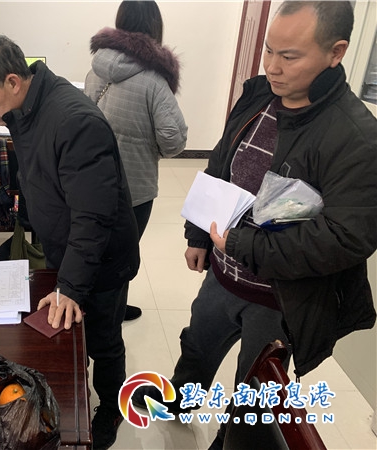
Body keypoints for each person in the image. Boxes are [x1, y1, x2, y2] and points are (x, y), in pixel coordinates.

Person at [131, 1, 377, 448]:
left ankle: (230, 441)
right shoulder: (259, 95)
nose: (272, 67)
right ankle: (180, 402)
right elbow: (222, 163)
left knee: (255, 391)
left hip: (280, 297)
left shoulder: (355, 137)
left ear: (336, 52)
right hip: (223, 273)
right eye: (268, 50)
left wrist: (244, 246)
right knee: (197, 346)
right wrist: (199, 234)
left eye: (290, 56)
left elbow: (346, 237)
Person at [0, 35, 140, 450]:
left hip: (101, 257)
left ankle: (110, 409)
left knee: (103, 339)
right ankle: (73, 395)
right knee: (69, 336)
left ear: (12, 81)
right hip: (65, 247)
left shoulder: (75, 121)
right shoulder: (24, 108)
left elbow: (93, 217)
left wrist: (71, 286)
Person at [84, 0, 188, 321]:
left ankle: (98, 306)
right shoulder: (154, 81)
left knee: (96, 247)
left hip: (93, 179)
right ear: (155, 29)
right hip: (135, 188)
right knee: (125, 253)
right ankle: (110, 313)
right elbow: (174, 140)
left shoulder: (94, 69)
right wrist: (151, 148)